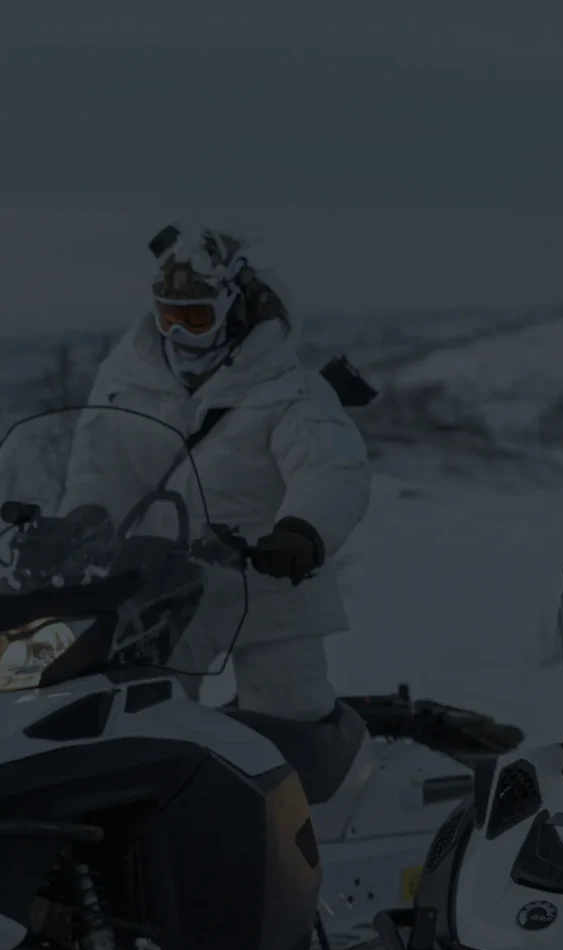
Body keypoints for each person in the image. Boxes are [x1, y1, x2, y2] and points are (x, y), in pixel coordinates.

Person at [66, 223, 374, 788]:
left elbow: (331, 469)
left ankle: (306, 827)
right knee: (141, 722)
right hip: (159, 583)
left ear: (231, 306)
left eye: (196, 317)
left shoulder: (290, 388)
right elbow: (100, 465)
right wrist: (84, 518)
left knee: (292, 717)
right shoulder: (126, 380)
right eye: (168, 316)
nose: (179, 331)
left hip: (269, 576)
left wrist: (303, 532)